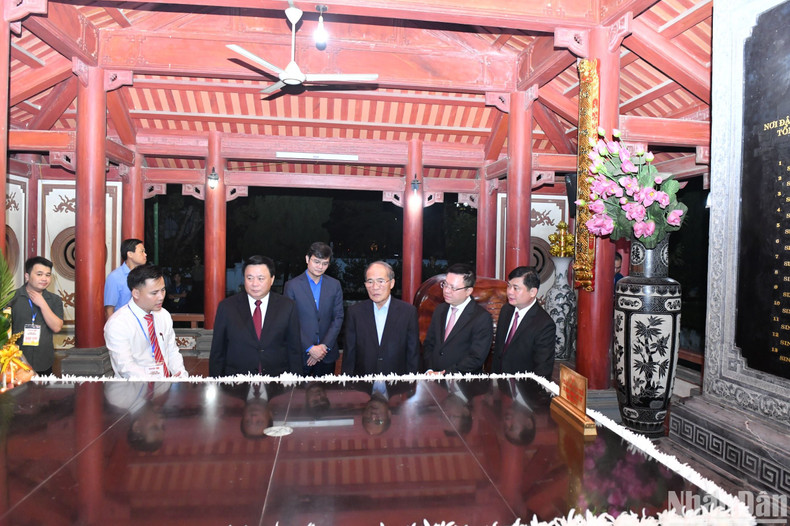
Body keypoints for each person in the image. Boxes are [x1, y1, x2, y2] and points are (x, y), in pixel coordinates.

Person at [209, 255, 302, 377]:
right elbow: (218, 351)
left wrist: (296, 385)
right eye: (250, 278)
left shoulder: (288, 307)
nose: (254, 284)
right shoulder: (227, 307)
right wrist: (216, 385)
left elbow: (294, 351)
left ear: (272, 279)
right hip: (236, 382)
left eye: (261, 278)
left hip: (276, 382)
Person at [104, 265, 189, 379]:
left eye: (163, 290)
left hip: (165, 388)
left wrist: (181, 376)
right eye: (154, 293)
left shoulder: (164, 315)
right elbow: (125, 367)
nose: (161, 297)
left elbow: (172, 351)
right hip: (132, 391)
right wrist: (156, 381)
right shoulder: (118, 323)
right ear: (136, 293)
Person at [341, 261, 419, 376]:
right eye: (370, 281)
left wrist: (412, 387)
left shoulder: (408, 312)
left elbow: (413, 355)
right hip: (363, 384)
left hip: (397, 384)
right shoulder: (355, 312)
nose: (375, 287)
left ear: (391, 283)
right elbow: (349, 355)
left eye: (380, 281)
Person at [284, 242, 344, 376]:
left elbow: (338, 317)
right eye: (316, 261)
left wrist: (323, 347)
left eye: (324, 263)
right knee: (297, 396)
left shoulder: (335, 285)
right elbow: (290, 321)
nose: (320, 267)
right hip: (300, 354)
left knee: (324, 396)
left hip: (326, 355)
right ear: (307, 259)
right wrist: (310, 348)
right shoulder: (292, 286)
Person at [422, 263, 493, 374]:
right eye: (445, 285)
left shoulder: (481, 317)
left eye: (453, 288)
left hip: (463, 384)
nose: (446, 291)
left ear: (468, 291)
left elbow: (476, 357)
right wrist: (430, 369)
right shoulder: (440, 310)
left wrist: (446, 373)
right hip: (434, 379)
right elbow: (429, 343)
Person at [491, 266, 556, 379]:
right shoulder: (506, 310)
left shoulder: (544, 324)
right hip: (499, 384)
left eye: (516, 288)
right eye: (508, 286)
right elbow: (498, 352)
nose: (509, 292)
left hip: (523, 388)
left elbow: (543, 370)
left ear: (532, 292)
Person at [8, 257, 64, 376]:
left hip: (44, 361)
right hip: (16, 361)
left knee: (43, 394)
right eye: (39, 274)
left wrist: (42, 304)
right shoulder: (12, 298)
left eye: (48, 275)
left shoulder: (54, 300)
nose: (44, 278)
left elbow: (57, 327)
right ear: (27, 276)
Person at [104, 238, 147, 320]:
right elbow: (109, 309)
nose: (145, 254)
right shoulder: (115, 277)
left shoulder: (144, 276)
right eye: (142, 251)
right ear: (130, 254)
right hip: (122, 324)